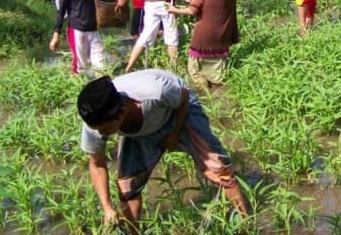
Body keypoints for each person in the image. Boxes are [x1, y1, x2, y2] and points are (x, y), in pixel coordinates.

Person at [76, 70, 250, 232]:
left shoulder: (155, 91)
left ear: (121, 112)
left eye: (105, 130)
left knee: (220, 170)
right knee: (128, 189)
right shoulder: (96, 121)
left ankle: (247, 224)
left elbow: (183, 97)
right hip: (137, 130)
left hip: (178, 109)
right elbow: (97, 164)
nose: (100, 134)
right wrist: (106, 207)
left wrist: (174, 134)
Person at [168, 0, 280, 89]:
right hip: (221, 38)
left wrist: (174, 10)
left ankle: (203, 89)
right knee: (219, 76)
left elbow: (192, 11)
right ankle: (218, 88)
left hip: (202, 39)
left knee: (196, 72)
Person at [49, 0, 106, 74]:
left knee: (100, 63)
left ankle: (102, 89)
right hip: (77, 30)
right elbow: (61, 13)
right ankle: (80, 88)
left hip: (93, 29)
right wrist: (56, 36)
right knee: (81, 66)